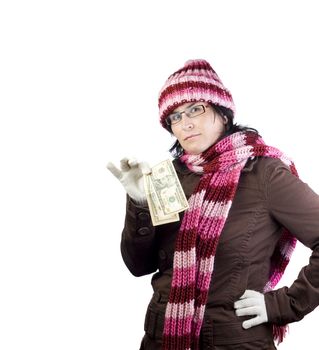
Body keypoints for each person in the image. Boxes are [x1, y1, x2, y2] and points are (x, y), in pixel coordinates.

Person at [106, 59, 319, 350]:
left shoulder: (264, 173)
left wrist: (284, 304)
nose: (186, 123)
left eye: (196, 109)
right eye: (176, 117)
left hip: (233, 340)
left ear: (222, 112)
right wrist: (139, 202)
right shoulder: (167, 177)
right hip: (161, 338)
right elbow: (139, 266)